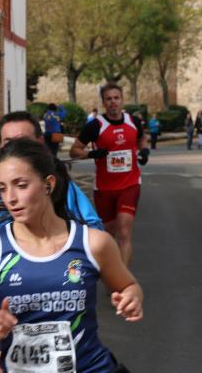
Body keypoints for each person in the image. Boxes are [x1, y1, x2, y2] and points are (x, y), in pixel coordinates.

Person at [0, 138, 143, 373]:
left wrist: (132, 297)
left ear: (48, 184)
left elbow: (128, 285)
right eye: (2, 188)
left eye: (20, 185)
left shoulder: (93, 243)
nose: (10, 198)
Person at [0, 111, 104, 373]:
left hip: (58, 300)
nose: (13, 147)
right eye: (7, 141)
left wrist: (63, 252)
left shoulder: (58, 186)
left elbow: (93, 227)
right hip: (4, 301)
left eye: (21, 140)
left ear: (38, 144)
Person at [69, 82, 149, 267]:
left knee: (124, 232)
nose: (113, 102)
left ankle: (122, 280)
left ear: (122, 100)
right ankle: (110, 269)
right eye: (109, 99)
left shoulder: (133, 122)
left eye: (116, 98)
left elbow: (141, 139)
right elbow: (74, 150)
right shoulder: (95, 126)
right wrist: (91, 154)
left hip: (130, 185)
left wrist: (144, 152)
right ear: (104, 103)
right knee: (108, 234)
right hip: (104, 188)